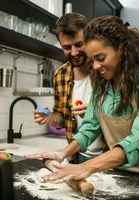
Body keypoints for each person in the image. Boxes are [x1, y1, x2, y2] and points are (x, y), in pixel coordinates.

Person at [27, 15, 139, 181]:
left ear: (121, 49)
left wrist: (85, 167)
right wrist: (62, 153)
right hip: (113, 172)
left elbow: (138, 140)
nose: (95, 66)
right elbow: (88, 129)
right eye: (92, 60)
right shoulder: (102, 86)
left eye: (100, 58)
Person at [33, 13, 103, 163]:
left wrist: (95, 112)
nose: (73, 52)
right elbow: (61, 118)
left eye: (79, 44)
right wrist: (50, 118)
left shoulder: (104, 69)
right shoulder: (60, 75)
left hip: (108, 155)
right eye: (66, 47)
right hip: (78, 155)